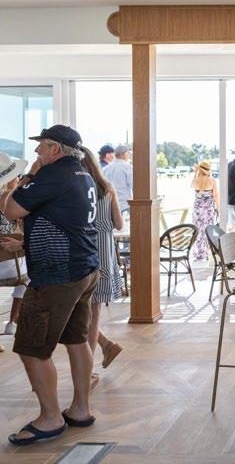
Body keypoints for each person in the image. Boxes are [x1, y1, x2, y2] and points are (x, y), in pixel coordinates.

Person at [1, 124, 99, 445]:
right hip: (84, 267)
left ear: (55, 149)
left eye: (41, 145)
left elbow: (10, 209)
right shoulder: (82, 174)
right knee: (77, 340)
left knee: (31, 348)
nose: (36, 151)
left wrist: (29, 176)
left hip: (56, 275)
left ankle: (50, 418)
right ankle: (80, 409)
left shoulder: (52, 175)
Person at [79, 147, 124, 373]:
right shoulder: (108, 187)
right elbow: (119, 224)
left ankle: (87, 370)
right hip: (104, 253)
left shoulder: (77, 189)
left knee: (81, 311)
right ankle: (105, 346)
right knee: (92, 311)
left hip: (83, 250)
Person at [0, 154, 29, 337]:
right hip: (13, 268)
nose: (18, 178)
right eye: (16, 176)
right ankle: (13, 321)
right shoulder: (14, 201)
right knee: (31, 273)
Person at [191, 160, 219, 260]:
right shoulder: (212, 180)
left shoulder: (195, 180)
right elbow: (216, 195)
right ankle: (208, 253)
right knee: (208, 230)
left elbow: (192, 185)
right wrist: (218, 208)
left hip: (197, 210)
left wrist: (195, 173)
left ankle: (199, 253)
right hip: (208, 210)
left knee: (198, 230)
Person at [102, 145, 133, 213]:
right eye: (128, 153)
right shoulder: (128, 168)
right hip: (124, 205)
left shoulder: (105, 169)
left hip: (109, 205)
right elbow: (133, 186)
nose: (129, 155)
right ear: (124, 154)